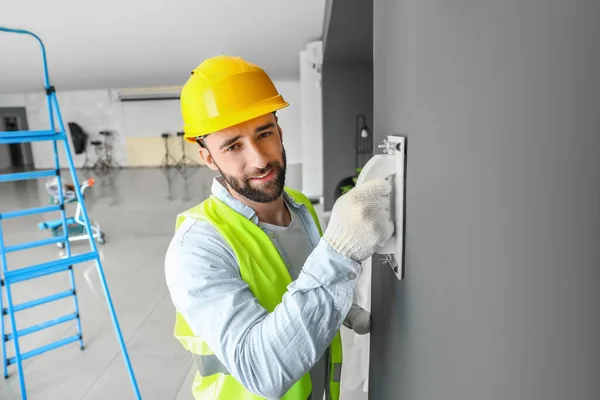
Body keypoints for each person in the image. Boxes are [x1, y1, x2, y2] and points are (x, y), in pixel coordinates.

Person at [164, 55, 394, 400]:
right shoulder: (197, 247)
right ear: (208, 157)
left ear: (279, 130)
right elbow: (261, 371)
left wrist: (342, 308)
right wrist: (339, 252)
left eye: (264, 133)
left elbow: (291, 285)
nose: (258, 159)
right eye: (233, 146)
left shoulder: (299, 207)